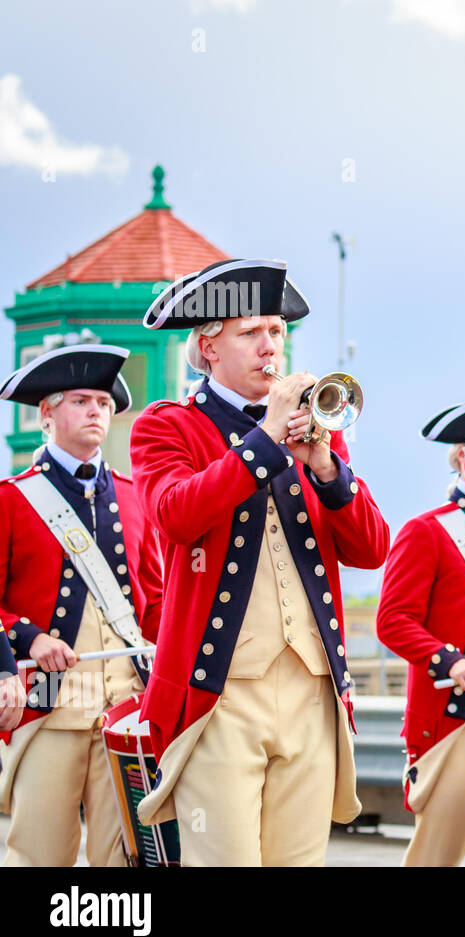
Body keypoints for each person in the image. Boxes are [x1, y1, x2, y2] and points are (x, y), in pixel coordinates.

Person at [129, 258, 390, 865]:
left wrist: (327, 466)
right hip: (216, 693)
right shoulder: (168, 426)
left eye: (276, 332)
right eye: (251, 333)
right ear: (206, 347)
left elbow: (372, 549)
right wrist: (266, 442)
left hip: (311, 689)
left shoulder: (317, 433)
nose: (269, 347)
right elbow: (174, 515)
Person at [0, 345, 163, 866]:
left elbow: (155, 601)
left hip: (125, 703)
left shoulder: (135, 496)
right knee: (41, 852)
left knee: (125, 858)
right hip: (48, 697)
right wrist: (30, 638)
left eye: (102, 402)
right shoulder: (11, 498)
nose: (95, 410)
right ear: (46, 415)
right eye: (79, 400)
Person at [376, 398, 465, 866]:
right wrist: (450, 659)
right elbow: (393, 620)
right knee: (437, 855)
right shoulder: (428, 531)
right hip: (457, 718)